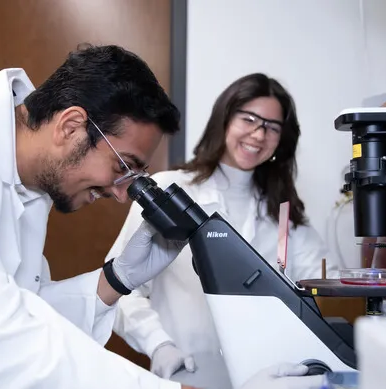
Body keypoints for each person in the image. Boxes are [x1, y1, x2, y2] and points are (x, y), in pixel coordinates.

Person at [0, 45, 325, 389]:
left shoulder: (29, 186)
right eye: (122, 167)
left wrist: (115, 279)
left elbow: (27, 309)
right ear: (72, 126)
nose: (119, 194)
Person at [105, 73, 338, 388]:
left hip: (267, 377)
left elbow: (326, 281)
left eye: (272, 127)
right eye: (250, 119)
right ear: (225, 118)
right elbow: (119, 289)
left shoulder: (284, 214)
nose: (258, 134)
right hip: (187, 375)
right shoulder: (168, 189)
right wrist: (158, 344)